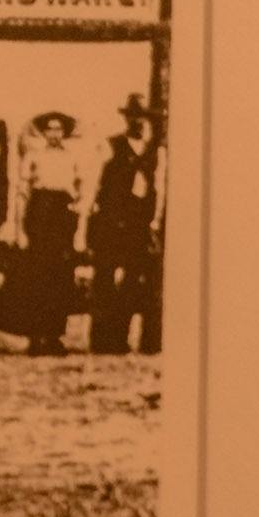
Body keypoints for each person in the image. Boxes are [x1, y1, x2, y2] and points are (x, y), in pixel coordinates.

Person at [10, 106, 99, 350]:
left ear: (65, 132)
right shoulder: (33, 156)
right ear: (43, 132)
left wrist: (79, 226)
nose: (54, 133)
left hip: (62, 217)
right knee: (36, 275)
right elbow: (22, 193)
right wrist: (20, 229)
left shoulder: (73, 158)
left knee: (60, 275)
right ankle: (35, 336)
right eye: (49, 129)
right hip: (39, 215)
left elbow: (82, 192)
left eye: (58, 129)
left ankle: (54, 335)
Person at [88, 94, 165, 353]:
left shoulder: (155, 152)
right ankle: (102, 340)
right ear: (127, 119)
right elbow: (96, 182)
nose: (138, 122)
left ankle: (122, 337)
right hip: (111, 220)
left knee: (133, 278)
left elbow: (159, 189)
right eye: (133, 117)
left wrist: (154, 221)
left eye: (142, 117)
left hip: (138, 223)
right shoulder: (112, 146)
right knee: (106, 276)